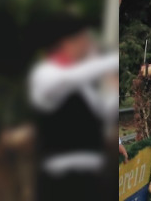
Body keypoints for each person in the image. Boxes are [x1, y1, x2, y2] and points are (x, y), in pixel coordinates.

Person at [28, 14, 117, 201]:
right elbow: (70, 78)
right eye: (84, 40)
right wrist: (106, 61)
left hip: (92, 177)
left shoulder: (85, 84)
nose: (87, 44)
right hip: (59, 178)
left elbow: (104, 117)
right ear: (66, 42)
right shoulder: (45, 73)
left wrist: (112, 88)